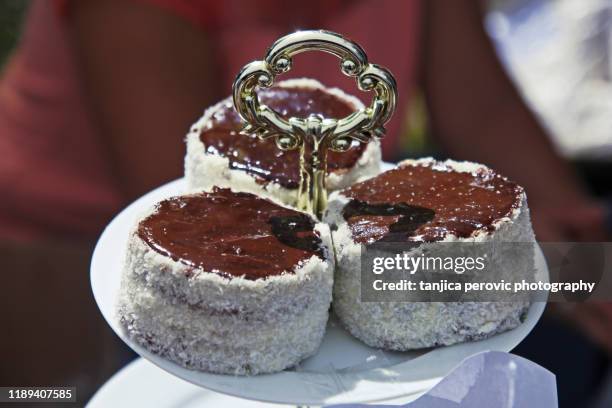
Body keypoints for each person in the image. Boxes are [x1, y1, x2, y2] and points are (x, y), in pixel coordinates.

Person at [0, 0, 610, 404]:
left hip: (364, 247)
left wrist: (575, 258)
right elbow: (214, 229)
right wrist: (486, 273)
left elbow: (483, 108)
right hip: (64, 261)